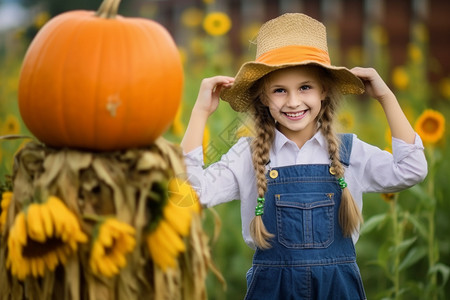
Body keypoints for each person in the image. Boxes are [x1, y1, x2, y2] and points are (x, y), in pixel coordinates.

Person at [181, 13, 427, 299]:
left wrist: (386, 97)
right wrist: (199, 113)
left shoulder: (349, 152)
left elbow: (412, 169)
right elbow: (186, 196)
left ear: (324, 89)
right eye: (280, 90)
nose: (294, 101)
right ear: (263, 96)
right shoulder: (246, 155)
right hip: (272, 290)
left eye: (305, 87)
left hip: (338, 290)